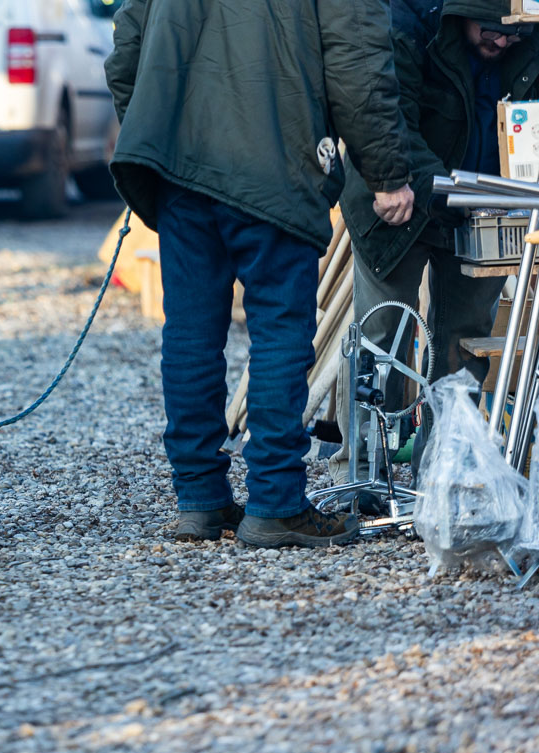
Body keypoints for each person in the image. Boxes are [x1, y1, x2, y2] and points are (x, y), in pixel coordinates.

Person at [105, 0, 415, 548]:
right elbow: (357, 59)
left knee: (190, 333)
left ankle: (199, 500)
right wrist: (387, 173)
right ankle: (275, 504)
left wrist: (154, 140)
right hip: (275, 162)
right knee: (280, 333)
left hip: (180, 166)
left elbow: (126, 50)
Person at [330, 0, 539, 495]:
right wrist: (428, 188)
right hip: (394, 196)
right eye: (489, 29)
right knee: (382, 336)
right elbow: (386, 124)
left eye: (512, 33)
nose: (502, 40)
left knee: (464, 340)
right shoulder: (407, 26)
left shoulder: (527, 36)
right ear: (461, 11)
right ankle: (361, 473)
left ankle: (444, 473)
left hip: (486, 209)